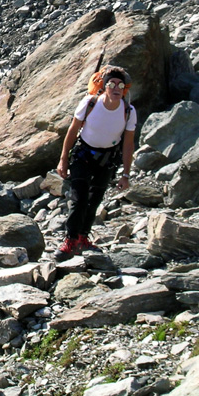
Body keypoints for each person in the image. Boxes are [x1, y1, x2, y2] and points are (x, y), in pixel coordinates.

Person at [55, 66, 137, 261]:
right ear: (104, 86)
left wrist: (126, 174)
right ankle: (70, 240)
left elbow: (128, 144)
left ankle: (83, 237)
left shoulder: (128, 111)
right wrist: (63, 159)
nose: (116, 88)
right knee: (79, 197)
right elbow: (73, 131)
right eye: (111, 84)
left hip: (108, 159)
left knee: (94, 199)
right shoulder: (90, 103)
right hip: (83, 154)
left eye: (120, 85)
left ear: (124, 89)